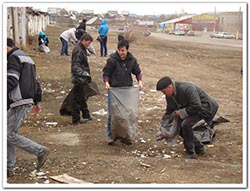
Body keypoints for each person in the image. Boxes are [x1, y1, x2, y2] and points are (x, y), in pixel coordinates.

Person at [7, 38, 49, 177]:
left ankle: (39, 150)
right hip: (25, 100)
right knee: (7, 134)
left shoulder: (13, 58)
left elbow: (11, 80)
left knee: (9, 134)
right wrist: (37, 100)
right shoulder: (27, 58)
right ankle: (9, 167)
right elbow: (35, 82)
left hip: (18, 101)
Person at [156, 76, 219, 159]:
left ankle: (190, 153)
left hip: (206, 108)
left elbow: (196, 105)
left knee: (186, 124)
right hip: (192, 108)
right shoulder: (170, 96)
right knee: (180, 126)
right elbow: (169, 111)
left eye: (164, 92)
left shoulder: (187, 88)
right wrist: (164, 127)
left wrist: (181, 112)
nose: (164, 94)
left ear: (170, 87)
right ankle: (199, 148)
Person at [102, 39, 143, 145]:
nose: (121, 53)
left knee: (127, 114)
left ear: (127, 50)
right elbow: (106, 72)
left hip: (127, 91)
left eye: (123, 50)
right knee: (113, 114)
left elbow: (137, 71)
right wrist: (106, 82)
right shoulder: (112, 60)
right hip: (115, 91)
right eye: (119, 50)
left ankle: (126, 135)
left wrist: (140, 81)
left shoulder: (131, 60)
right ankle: (111, 136)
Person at [71, 33, 94, 125]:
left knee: (82, 97)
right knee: (77, 99)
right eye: (88, 43)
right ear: (83, 40)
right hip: (79, 78)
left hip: (81, 78)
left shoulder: (81, 49)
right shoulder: (79, 50)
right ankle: (76, 119)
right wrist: (85, 74)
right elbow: (75, 66)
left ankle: (86, 115)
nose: (89, 45)